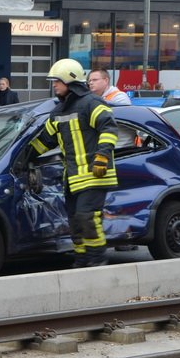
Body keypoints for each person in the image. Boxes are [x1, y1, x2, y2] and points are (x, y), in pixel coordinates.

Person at [28, 59, 118, 267]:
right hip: (74, 178)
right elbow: (45, 141)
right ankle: (82, 259)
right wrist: (25, 158)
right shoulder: (58, 112)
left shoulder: (92, 104)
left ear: (71, 81)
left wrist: (102, 157)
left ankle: (97, 259)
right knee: (75, 220)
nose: (54, 85)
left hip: (96, 174)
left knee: (87, 217)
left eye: (57, 81)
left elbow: (109, 128)